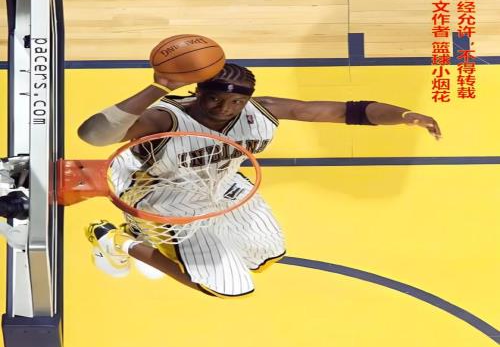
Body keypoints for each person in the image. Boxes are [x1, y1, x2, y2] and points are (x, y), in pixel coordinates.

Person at [78, 62, 442, 297]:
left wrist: (405, 115)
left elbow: (347, 111)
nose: (225, 109)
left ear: (247, 100)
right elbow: (92, 135)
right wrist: (158, 87)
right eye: (214, 99)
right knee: (226, 287)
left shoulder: (261, 111)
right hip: (158, 190)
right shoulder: (165, 118)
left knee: (265, 255)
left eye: (235, 103)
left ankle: (164, 245)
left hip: (219, 184)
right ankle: (117, 239)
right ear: (198, 92)